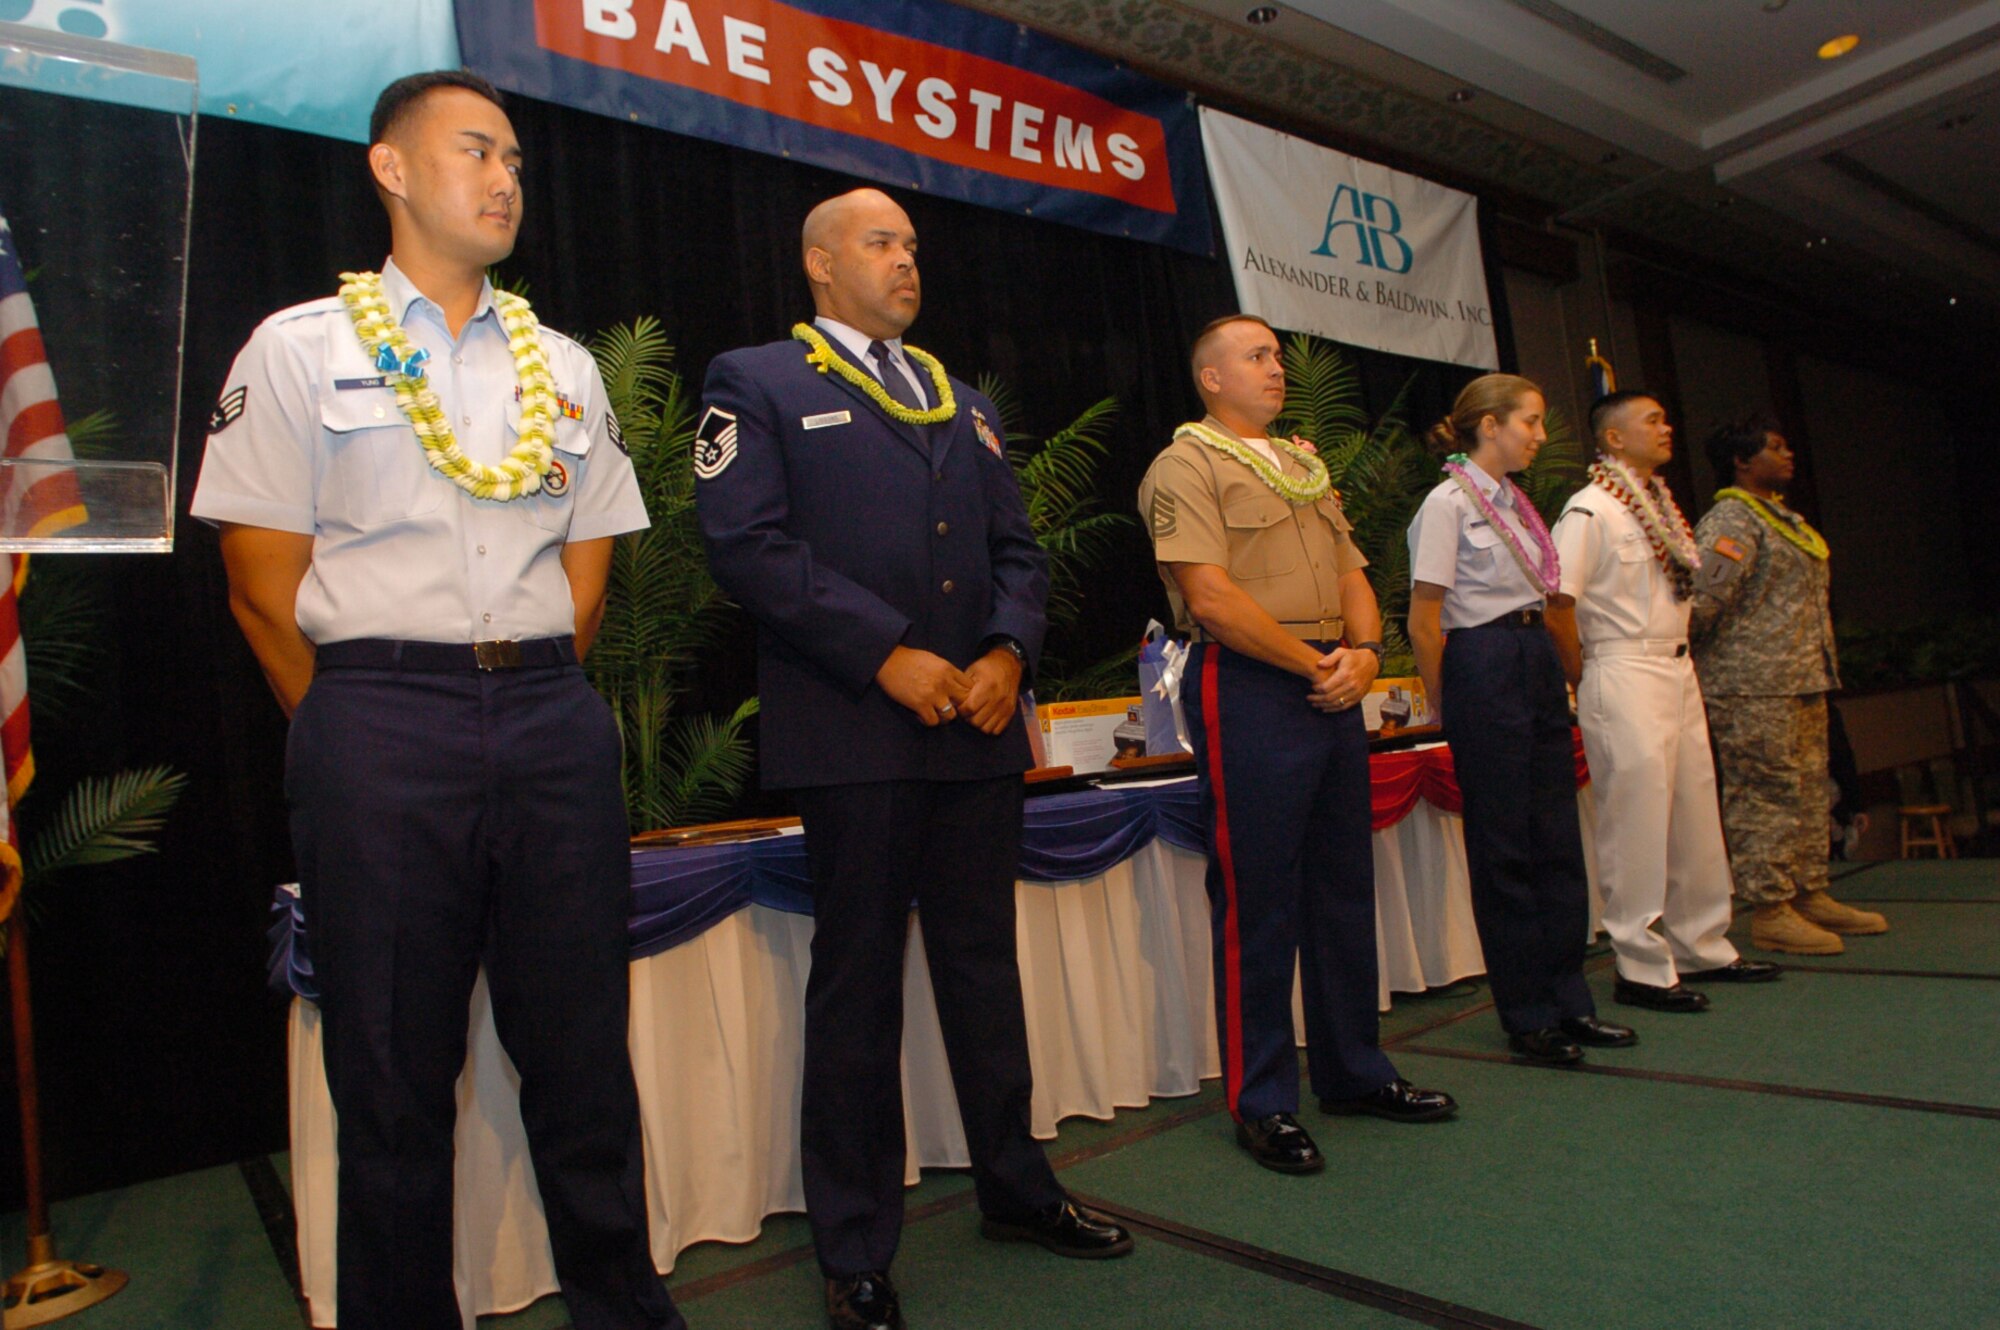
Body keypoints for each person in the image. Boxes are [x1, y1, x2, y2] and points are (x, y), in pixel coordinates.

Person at [190, 73, 682, 1330]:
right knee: (394, 1081)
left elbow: (587, 567)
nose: (506, 175)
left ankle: (623, 1309)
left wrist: (513, 690)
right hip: (374, 718)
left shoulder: (563, 365)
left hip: (546, 716)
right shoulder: (301, 348)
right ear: (391, 170)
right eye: (477, 150)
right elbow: (260, 585)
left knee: (581, 1061)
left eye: (515, 156)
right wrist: (364, 727)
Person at [693, 188, 1131, 1330]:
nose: (905, 260)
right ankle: (852, 1248)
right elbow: (745, 543)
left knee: (985, 972)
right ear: (819, 263)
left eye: (913, 245)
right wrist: (883, 654)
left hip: (978, 731)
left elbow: (1015, 552)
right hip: (856, 729)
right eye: (880, 242)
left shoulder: (960, 399)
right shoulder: (758, 381)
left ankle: (1015, 1188)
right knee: (857, 990)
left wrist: (1004, 652)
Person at [1136, 315, 1455, 1176]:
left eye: (1277, 355)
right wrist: (1322, 664)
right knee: (1260, 899)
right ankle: (1264, 1100)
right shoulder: (1186, 464)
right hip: (1250, 682)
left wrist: (1363, 654)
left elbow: (1354, 576)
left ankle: (1355, 1072)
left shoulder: (1305, 467)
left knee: (1344, 887)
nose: (1278, 368)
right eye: (1257, 356)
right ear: (1210, 377)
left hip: (1328, 680)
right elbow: (1210, 597)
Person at [1406, 374, 1636, 1066]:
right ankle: (1528, 1013)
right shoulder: (1446, 505)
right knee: (1505, 847)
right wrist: (1450, 701)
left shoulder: (1518, 502)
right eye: (1529, 422)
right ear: (1488, 424)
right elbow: (1423, 620)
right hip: (1481, 658)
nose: (1540, 435)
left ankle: (1573, 1001)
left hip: (1534, 652)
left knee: (1558, 838)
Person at [1547, 392, 1779, 1012]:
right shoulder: (1589, 510)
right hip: (1621, 666)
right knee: (1637, 817)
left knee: (1695, 807)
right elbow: (1557, 604)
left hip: (1677, 666)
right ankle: (1641, 965)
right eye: (1651, 420)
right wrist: (1581, 675)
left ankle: (1703, 941)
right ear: (1614, 440)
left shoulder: (1659, 505)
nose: (1666, 426)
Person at [1691, 418, 1888, 953]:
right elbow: (1703, 602)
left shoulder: (1782, 518)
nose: (1788, 454)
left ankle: (1808, 892)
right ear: (1741, 461)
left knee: (1807, 791)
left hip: (1800, 676)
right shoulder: (1732, 519)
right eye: (1775, 448)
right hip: (1751, 683)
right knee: (1765, 795)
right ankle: (1770, 908)